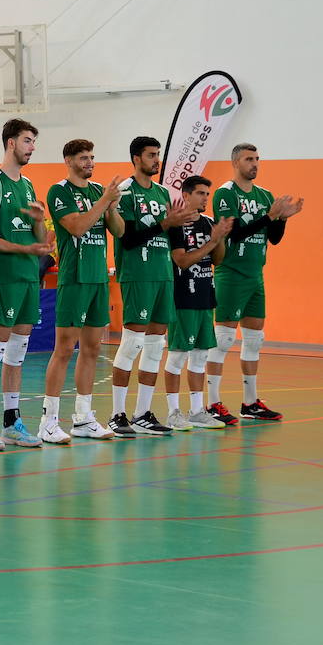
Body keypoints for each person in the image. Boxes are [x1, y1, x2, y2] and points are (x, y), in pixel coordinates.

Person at [207, 143, 306, 422]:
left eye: (257, 159)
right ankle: (213, 403)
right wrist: (270, 216)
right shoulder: (226, 193)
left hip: (255, 275)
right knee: (223, 339)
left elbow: (273, 238)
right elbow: (235, 233)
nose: (255, 164)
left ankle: (250, 403)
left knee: (254, 339)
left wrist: (282, 219)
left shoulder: (265, 195)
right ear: (236, 162)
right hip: (231, 272)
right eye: (249, 159)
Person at [0, 118, 53, 450]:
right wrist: (26, 249)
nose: (32, 147)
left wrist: (37, 226)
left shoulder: (29, 185)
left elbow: (36, 238)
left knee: (17, 354)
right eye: (28, 141)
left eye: (33, 141)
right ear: (11, 143)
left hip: (28, 277)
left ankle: (12, 423)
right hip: (4, 277)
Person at [109, 136, 198, 436]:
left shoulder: (162, 193)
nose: (156, 160)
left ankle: (142, 413)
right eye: (151, 155)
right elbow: (129, 238)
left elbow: (170, 235)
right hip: (137, 273)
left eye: (158, 154)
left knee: (155, 346)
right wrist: (165, 223)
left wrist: (178, 225)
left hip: (163, 274)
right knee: (131, 343)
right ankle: (116, 414)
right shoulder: (126, 192)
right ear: (136, 158)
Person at [38, 139, 123, 442]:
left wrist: (110, 206)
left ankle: (84, 418)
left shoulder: (99, 191)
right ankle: (48, 421)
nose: (90, 162)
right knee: (64, 349)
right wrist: (103, 202)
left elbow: (119, 230)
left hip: (98, 278)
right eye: (83, 158)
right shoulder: (59, 191)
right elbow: (76, 226)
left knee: (93, 348)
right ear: (69, 160)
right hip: (74, 278)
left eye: (92, 157)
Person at [164, 175, 233, 430]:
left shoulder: (208, 222)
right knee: (177, 357)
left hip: (206, 294)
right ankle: (173, 412)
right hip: (183, 297)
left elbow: (218, 260)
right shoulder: (176, 225)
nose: (206, 198)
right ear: (186, 195)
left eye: (207, 194)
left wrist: (220, 237)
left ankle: (197, 411)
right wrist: (213, 241)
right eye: (201, 193)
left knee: (200, 356)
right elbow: (181, 260)